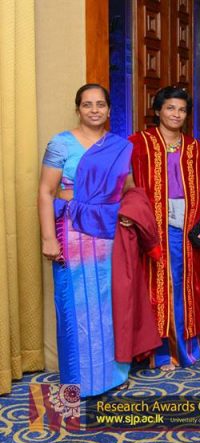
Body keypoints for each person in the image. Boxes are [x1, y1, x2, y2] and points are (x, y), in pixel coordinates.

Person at [38, 84, 133, 396]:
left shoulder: (119, 146)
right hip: (71, 234)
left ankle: (112, 375)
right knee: (75, 305)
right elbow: (45, 192)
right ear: (77, 109)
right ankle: (79, 380)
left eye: (100, 104)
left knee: (108, 303)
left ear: (109, 109)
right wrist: (48, 238)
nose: (94, 110)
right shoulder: (60, 144)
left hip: (109, 236)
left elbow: (128, 189)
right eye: (87, 104)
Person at [129, 85, 200, 371]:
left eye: (181, 110)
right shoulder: (138, 143)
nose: (176, 114)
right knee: (151, 288)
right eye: (170, 108)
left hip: (185, 226)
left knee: (181, 286)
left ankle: (180, 348)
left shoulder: (194, 148)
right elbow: (123, 183)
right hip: (149, 227)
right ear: (158, 111)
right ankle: (154, 352)